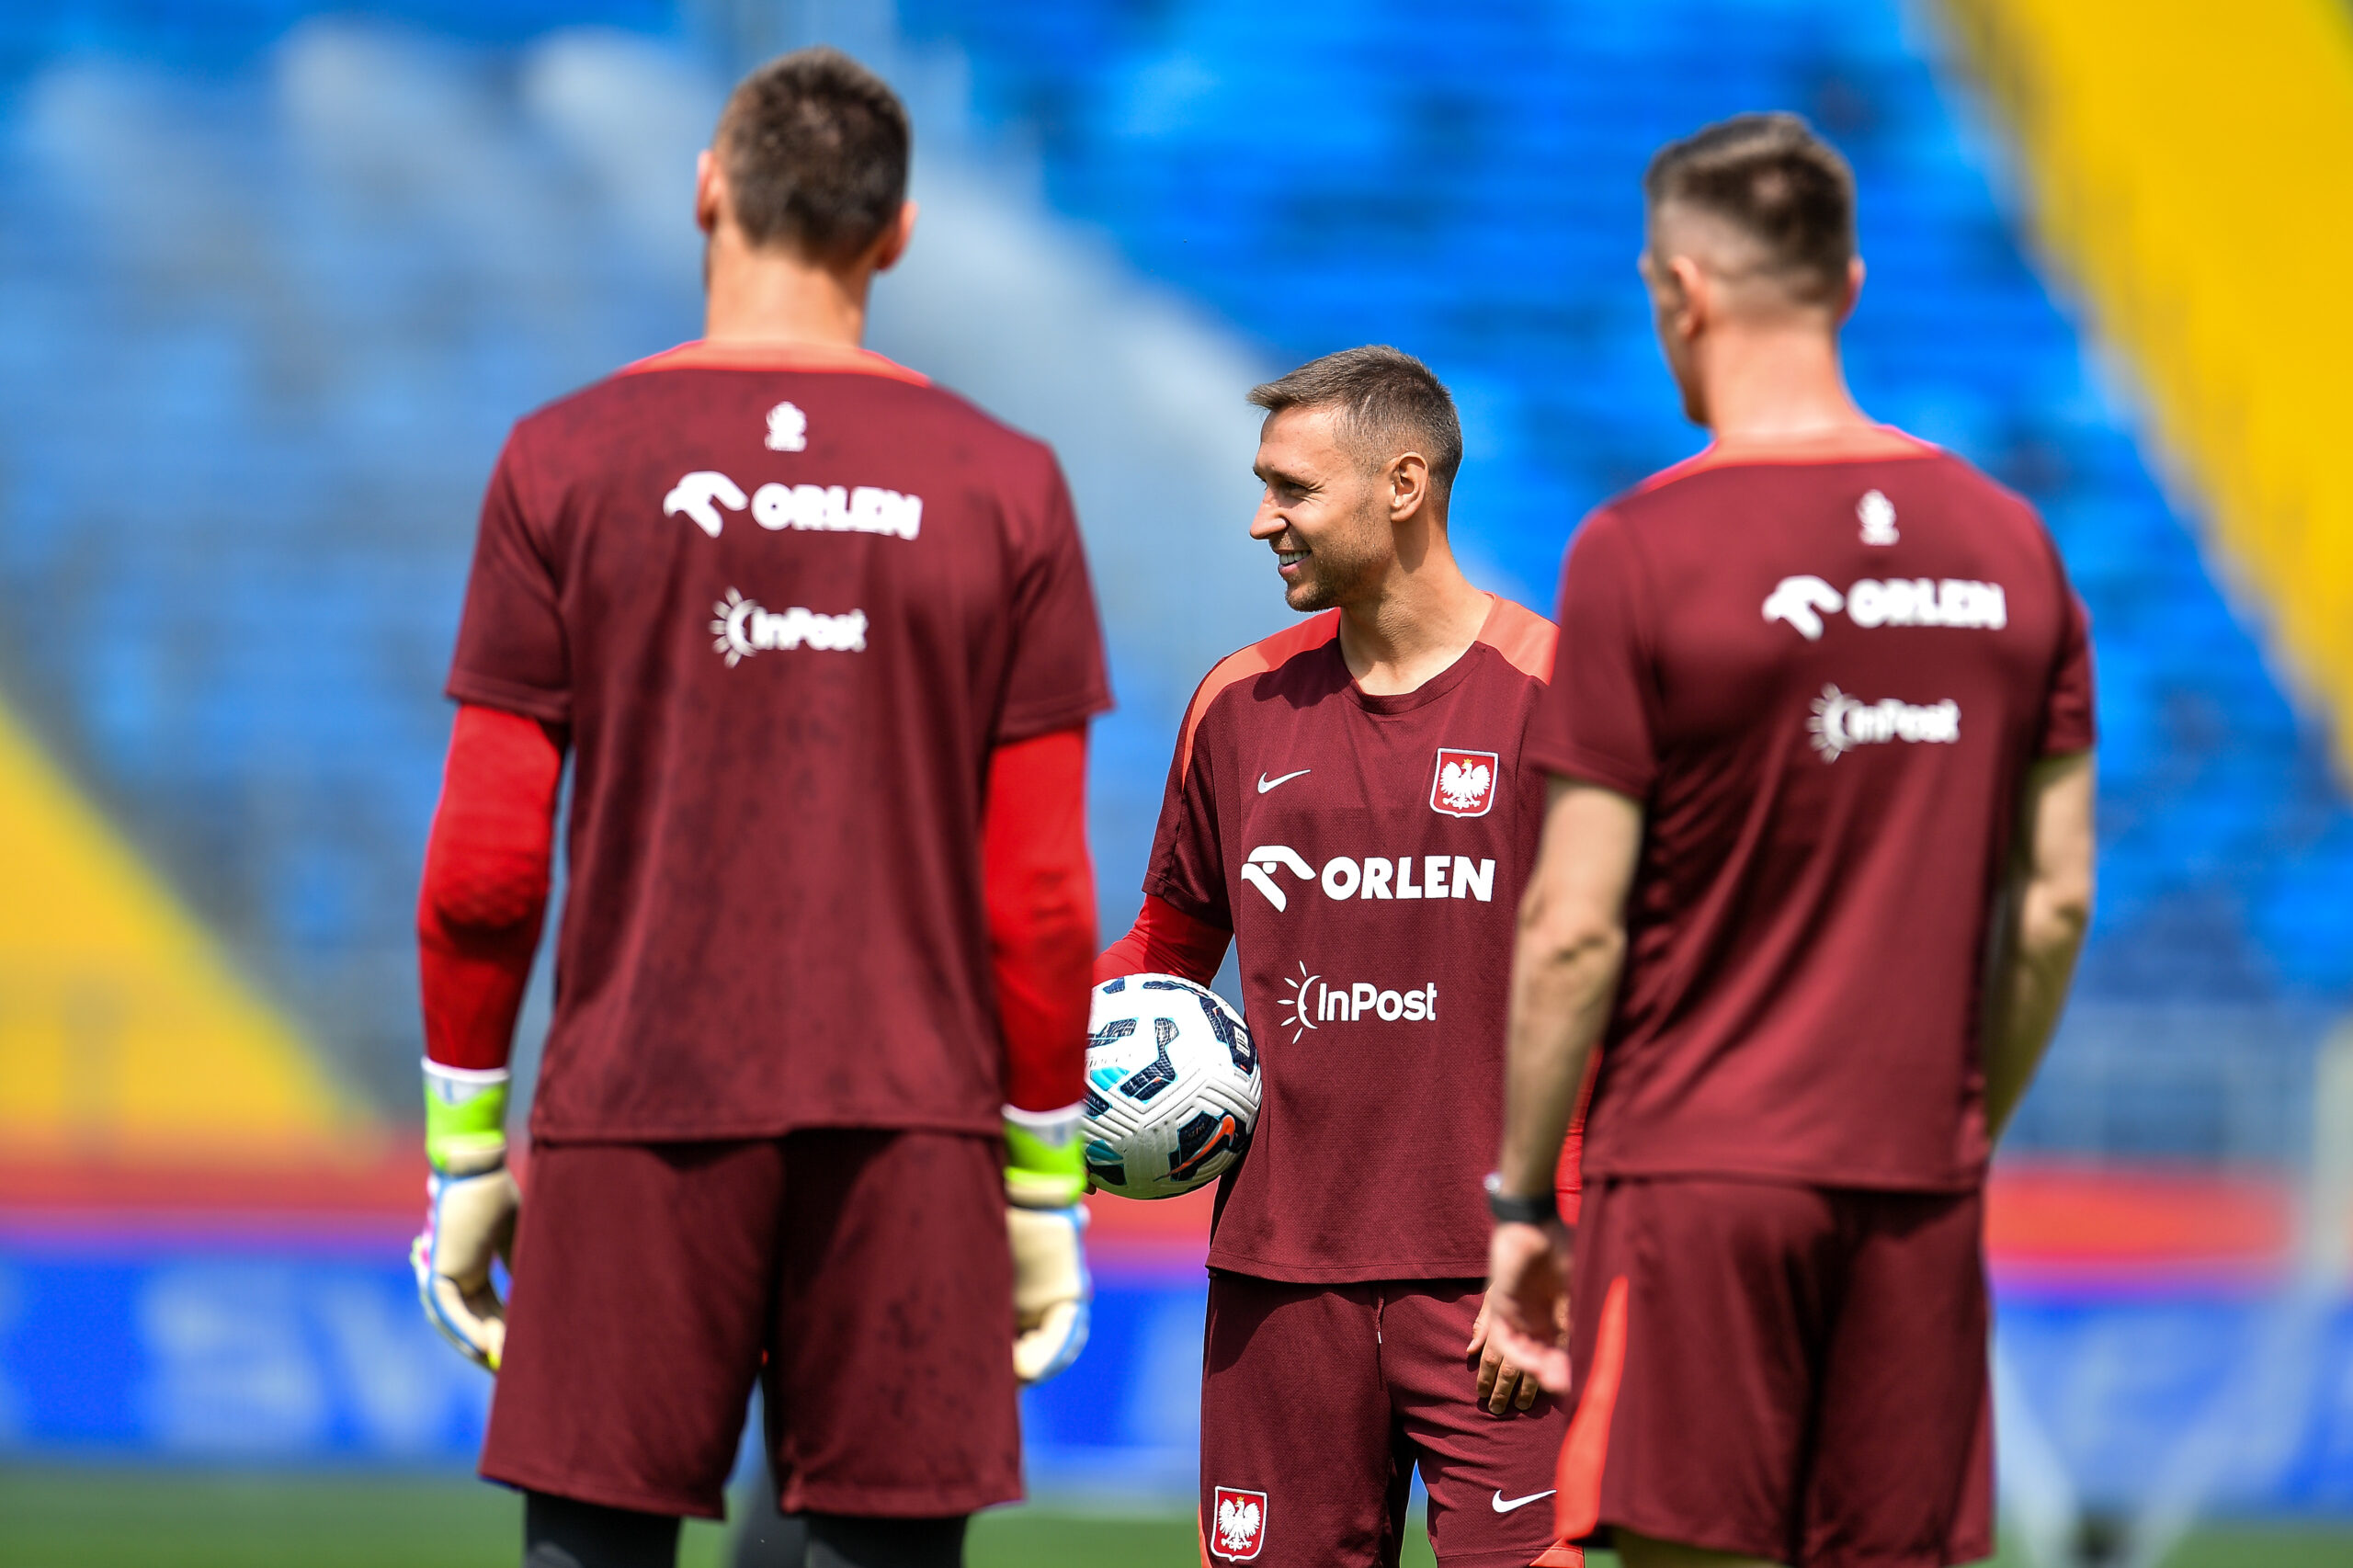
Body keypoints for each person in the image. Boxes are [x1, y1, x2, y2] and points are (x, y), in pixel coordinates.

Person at [407, 47, 1110, 1568]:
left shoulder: (563, 460)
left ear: (706, 191)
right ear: (897, 232)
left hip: (634, 1110)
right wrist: (1043, 1181)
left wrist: (464, 1151)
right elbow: (1045, 894)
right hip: (911, 1132)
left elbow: (482, 866)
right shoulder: (1007, 483)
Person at [1483, 113, 2097, 1568]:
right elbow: (2055, 901)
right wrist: (1958, 1124)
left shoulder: (1643, 547)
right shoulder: (2012, 544)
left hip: (1698, 1179)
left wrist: (1520, 1194)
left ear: (1682, 291)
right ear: (1851, 286)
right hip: (1916, 1184)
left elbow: (1573, 924)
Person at [1098, 346, 1583, 1568]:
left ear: (1404, 485)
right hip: (1279, 1285)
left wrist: (1561, 1235)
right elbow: (1161, 954)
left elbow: (1635, 998)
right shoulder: (1238, 703)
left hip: (1496, 1287)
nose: (1263, 520)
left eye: (1294, 489)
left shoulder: (1561, 695)